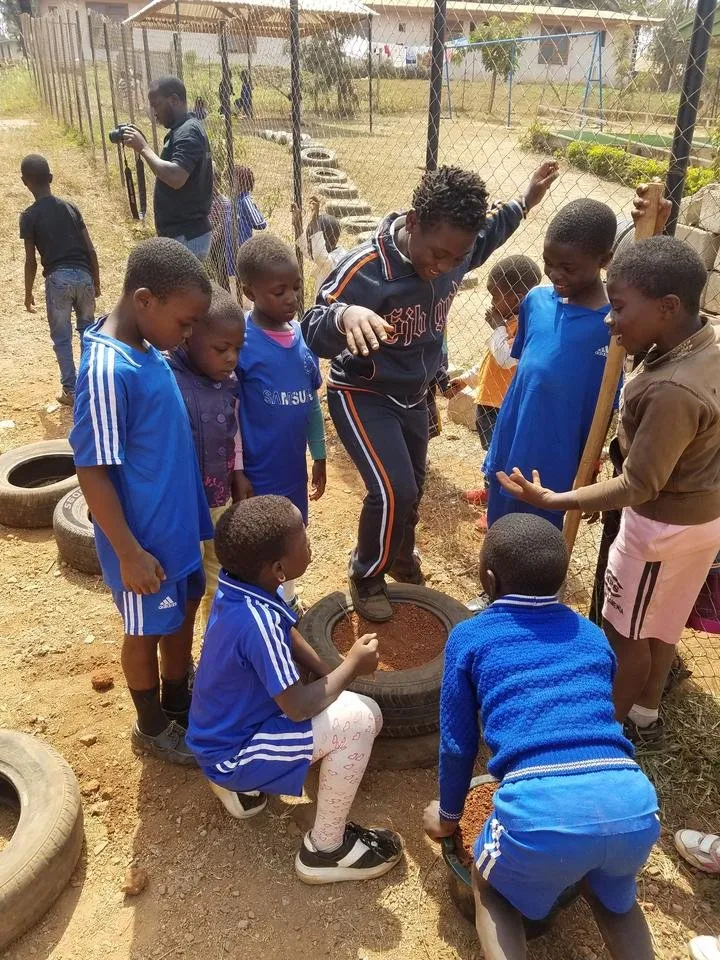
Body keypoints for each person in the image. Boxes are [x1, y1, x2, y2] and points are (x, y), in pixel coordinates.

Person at [301, 160, 559, 621]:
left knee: (412, 487)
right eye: (438, 254)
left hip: (413, 395)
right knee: (392, 488)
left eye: (456, 260)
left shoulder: (455, 250)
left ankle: (400, 556)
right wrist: (345, 316)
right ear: (414, 222)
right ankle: (366, 574)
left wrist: (525, 200)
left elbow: (491, 232)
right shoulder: (367, 267)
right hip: (362, 391)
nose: (443, 267)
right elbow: (312, 325)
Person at [497, 237, 720, 747]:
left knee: (625, 633)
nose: (609, 320)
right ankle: (645, 714)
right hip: (700, 520)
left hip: (659, 530)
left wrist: (555, 500)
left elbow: (640, 483)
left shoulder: (671, 389)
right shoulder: (704, 348)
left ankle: (603, 734)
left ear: (667, 307)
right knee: (662, 624)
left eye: (618, 308)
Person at [423, 513, 660, 960]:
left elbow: (457, 745)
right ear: (561, 580)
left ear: (488, 580)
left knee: (489, 888)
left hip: (540, 809)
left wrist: (449, 818)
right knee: (615, 902)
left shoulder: (470, 637)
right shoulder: (592, 636)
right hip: (632, 801)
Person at [186, 495, 404, 884]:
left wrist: (330, 671)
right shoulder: (256, 623)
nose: (310, 542)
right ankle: (325, 849)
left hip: (219, 734)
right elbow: (299, 708)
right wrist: (351, 668)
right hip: (232, 754)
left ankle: (240, 787)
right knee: (359, 719)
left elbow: (287, 632)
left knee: (352, 705)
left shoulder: (242, 588)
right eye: (303, 539)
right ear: (279, 569)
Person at [69, 237, 213, 765]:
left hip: (175, 528)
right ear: (145, 301)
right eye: (185, 322)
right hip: (143, 541)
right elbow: (92, 469)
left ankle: (178, 701)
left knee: (179, 617)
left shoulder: (148, 350)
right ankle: (151, 725)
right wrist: (128, 552)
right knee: (145, 630)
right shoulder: (108, 371)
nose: (189, 334)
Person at [484, 198, 618, 532]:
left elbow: (605, 409)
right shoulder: (535, 302)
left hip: (554, 470)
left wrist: (590, 470)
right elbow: (525, 376)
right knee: (499, 535)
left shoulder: (613, 326)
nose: (555, 274)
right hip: (510, 448)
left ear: (604, 260)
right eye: (548, 262)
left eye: (568, 267)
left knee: (539, 541)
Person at [235, 234, 327, 613]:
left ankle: (287, 601)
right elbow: (231, 412)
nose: (291, 298)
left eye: (295, 287)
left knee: (291, 534)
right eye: (279, 291)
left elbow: (311, 404)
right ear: (250, 292)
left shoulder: (302, 338)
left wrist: (319, 454)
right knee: (260, 543)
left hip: (292, 470)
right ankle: (260, 606)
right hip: (257, 472)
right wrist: (237, 470)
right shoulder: (240, 342)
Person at [167, 283, 247, 629]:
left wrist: (238, 472)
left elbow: (233, 429)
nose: (231, 358)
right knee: (188, 582)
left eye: (237, 349)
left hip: (220, 500)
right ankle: (180, 651)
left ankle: (213, 643)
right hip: (183, 506)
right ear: (188, 337)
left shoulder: (229, 380)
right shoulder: (168, 378)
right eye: (221, 349)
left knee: (219, 574)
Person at [446, 254, 542, 528]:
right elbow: (489, 361)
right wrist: (466, 380)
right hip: (488, 401)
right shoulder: (506, 324)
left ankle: (496, 509)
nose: (491, 301)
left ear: (516, 297)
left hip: (504, 405)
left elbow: (506, 358)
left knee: (502, 458)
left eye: (496, 295)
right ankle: (490, 492)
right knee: (490, 454)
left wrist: (498, 326)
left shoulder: (523, 325)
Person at [19, 154, 100, 406]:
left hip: (58, 280)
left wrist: (28, 293)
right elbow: (91, 249)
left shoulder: (29, 216)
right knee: (88, 332)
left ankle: (71, 390)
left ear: (24, 182)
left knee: (62, 337)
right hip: (84, 276)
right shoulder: (71, 207)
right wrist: (96, 281)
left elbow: (31, 261)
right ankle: (91, 385)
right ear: (51, 178)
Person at [122, 76, 213, 260]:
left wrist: (143, 148)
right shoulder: (182, 129)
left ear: (173, 100)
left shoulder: (188, 131)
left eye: (156, 105)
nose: (154, 112)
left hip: (186, 237)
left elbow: (176, 177)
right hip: (184, 236)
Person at [292, 195, 348, 296]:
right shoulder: (331, 255)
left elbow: (318, 254)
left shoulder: (335, 261)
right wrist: (297, 225)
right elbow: (309, 251)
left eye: (311, 239)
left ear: (323, 240)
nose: (309, 243)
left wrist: (314, 220)